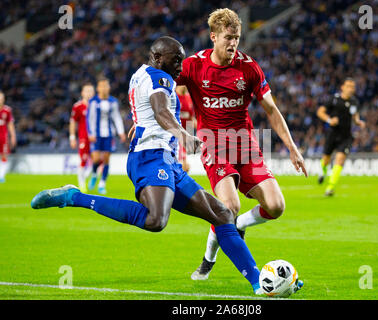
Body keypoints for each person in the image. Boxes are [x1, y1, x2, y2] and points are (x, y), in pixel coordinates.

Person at [31, 36, 267, 295]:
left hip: (165, 158)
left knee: (222, 214)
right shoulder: (159, 78)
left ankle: (260, 283)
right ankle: (74, 197)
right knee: (155, 219)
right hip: (150, 157)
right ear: (157, 58)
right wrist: (182, 135)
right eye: (175, 59)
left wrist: (148, 125)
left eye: (182, 59)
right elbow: (160, 111)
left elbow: (151, 110)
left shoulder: (141, 74)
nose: (180, 65)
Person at [175, 8, 308, 281]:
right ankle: (208, 260)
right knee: (228, 207)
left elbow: (271, 109)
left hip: (245, 145)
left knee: (276, 205)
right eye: (227, 37)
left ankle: (242, 224)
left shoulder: (248, 68)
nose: (233, 43)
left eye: (236, 37)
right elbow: (163, 85)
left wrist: (293, 148)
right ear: (213, 37)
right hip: (213, 143)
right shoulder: (193, 66)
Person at [316, 77, 366, 196]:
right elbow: (320, 112)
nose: (350, 89)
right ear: (342, 87)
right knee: (326, 160)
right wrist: (329, 120)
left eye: (352, 87)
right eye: (348, 86)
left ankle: (330, 187)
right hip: (332, 134)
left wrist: (358, 122)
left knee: (339, 159)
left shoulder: (354, 102)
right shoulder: (334, 99)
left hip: (346, 136)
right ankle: (323, 173)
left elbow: (355, 117)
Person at [87, 77, 126, 194]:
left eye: (106, 86)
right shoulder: (93, 102)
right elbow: (90, 119)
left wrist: (121, 132)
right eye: (102, 86)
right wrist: (91, 133)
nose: (104, 88)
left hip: (109, 134)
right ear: (98, 88)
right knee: (96, 159)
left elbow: (116, 117)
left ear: (109, 87)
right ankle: (94, 174)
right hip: (96, 135)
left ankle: (102, 184)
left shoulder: (113, 102)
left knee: (106, 160)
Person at [69, 83, 95, 192]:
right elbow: (73, 122)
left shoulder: (96, 105)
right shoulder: (78, 106)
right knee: (83, 160)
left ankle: (86, 178)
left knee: (97, 161)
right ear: (82, 93)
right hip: (84, 138)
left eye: (91, 91)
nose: (89, 93)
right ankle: (81, 184)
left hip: (96, 138)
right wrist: (72, 137)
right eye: (87, 91)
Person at [0, 90, 16, 183]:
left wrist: (13, 136)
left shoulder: (7, 110)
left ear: (4, 100)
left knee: (4, 156)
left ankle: (1, 176)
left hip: (3, 136)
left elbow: (10, 124)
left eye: (1, 99)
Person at [176, 85, 196, 172]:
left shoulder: (189, 98)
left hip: (184, 135)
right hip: (172, 134)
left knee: (184, 167)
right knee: (182, 165)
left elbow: (191, 119)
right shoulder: (172, 96)